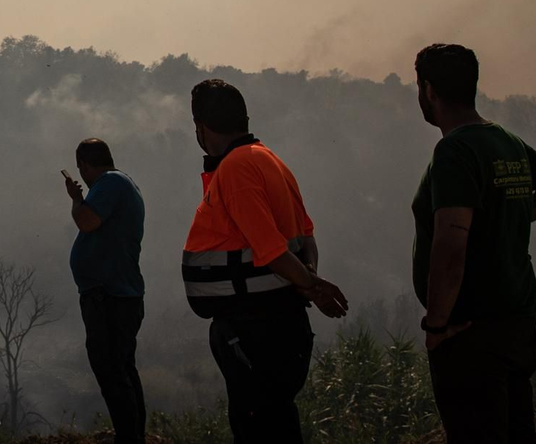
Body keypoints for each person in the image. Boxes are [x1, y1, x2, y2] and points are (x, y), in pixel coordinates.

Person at [412, 43, 536, 444]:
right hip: (517, 323)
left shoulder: (454, 151)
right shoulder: (506, 141)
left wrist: (436, 325)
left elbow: (450, 249)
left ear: (429, 90)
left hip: (470, 332)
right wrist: (508, 216)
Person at [181, 78, 348, 444]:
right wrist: (309, 279)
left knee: (258, 426)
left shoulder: (237, 169)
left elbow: (270, 250)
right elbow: (306, 237)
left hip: (255, 329)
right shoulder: (269, 159)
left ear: (201, 127)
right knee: (277, 421)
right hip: (282, 322)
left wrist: (312, 287)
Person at [63, 138, 146, 444]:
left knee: (111, 369)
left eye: (80, 167)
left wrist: (75, 199)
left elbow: (86, 221)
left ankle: (129, 437)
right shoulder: (120, 184)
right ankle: (132, 434)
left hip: (110, 296)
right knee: (121, 368)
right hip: (117, 294)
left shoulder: (110, 183)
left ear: (85, 165)